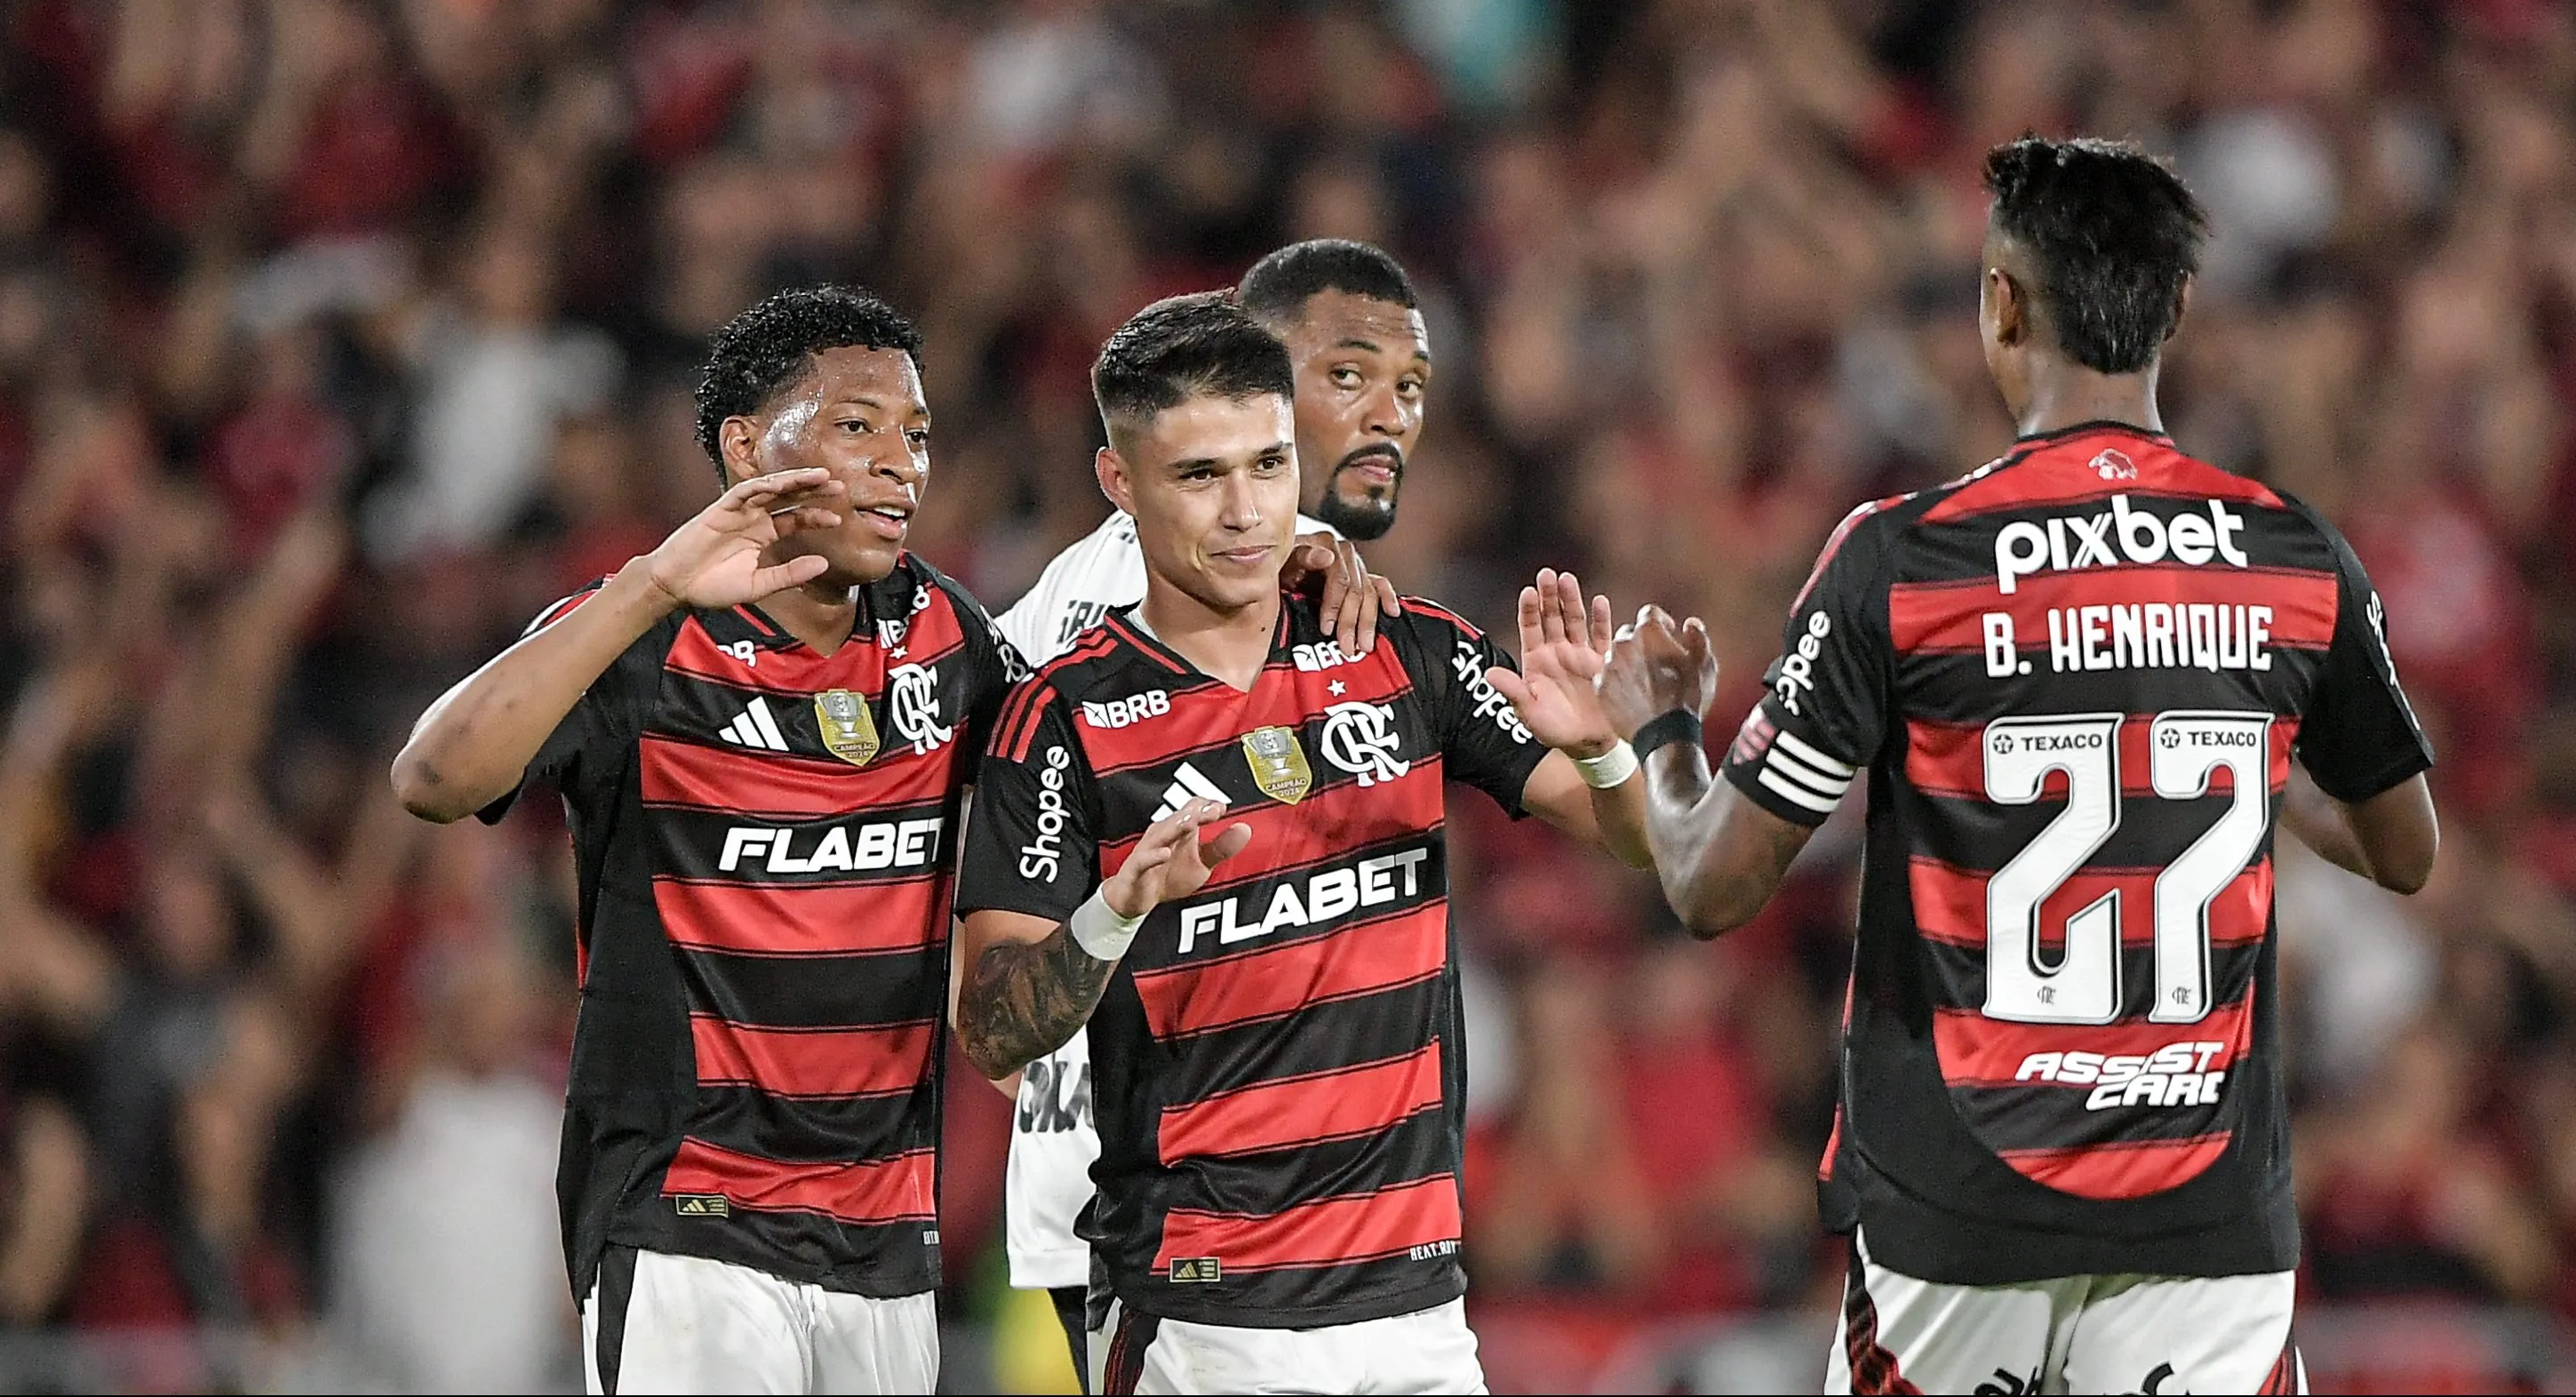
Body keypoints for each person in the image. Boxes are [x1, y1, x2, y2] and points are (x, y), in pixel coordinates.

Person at [1598, 137, 2441, 1396]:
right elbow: (2405, 848)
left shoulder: (1905, 560)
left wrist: (1660, 731)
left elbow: (1710, 886)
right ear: (2177, 310)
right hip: (2204, 1223)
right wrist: (2254, 762)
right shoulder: (2292, 558)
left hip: (1958, 1212)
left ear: (1999, 303)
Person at [955, 292, 1650, 1394]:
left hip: (1419, 1313)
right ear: (1119, 484)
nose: (1244, 511)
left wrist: (1609, 751)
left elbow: (1668, 854)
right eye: (1199, 476)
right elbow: (992, 1029)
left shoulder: (1404, 651)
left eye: (1268, 465)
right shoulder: (1062, 718)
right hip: (1203, 1320)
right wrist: (1115, 911)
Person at [388, 286, 1020, 1394]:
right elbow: (433, 778)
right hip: (691, 1225)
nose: (901, 465)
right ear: (745, 446)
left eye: (916, 434)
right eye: (858, 426)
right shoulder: (641, 638)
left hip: (886, 1248)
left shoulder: (952, 642)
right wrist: (648, 586)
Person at [993, 238, 1432, 1387]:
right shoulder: (1122, 605)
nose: (1387, 413)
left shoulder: (1289, 585)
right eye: (1345, 376)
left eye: (1409, 386)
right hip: (1161, 1210)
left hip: (1303, 1219)